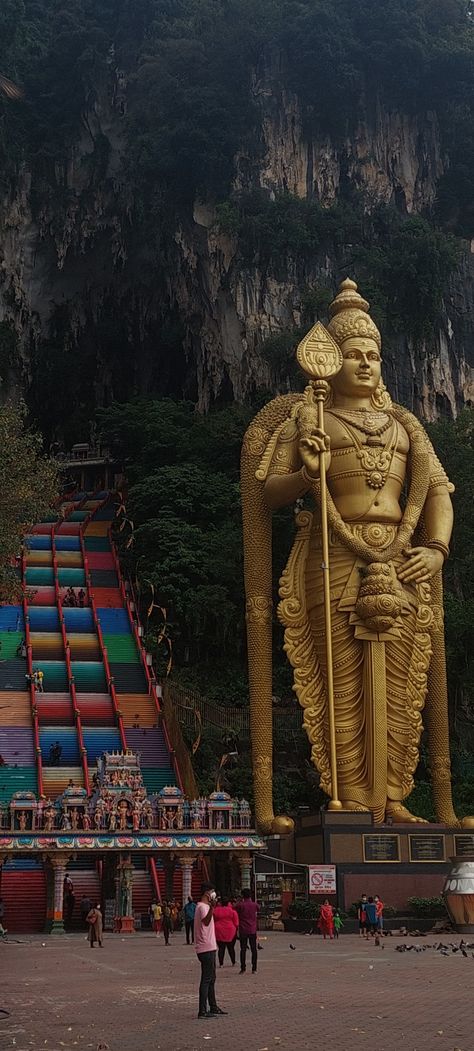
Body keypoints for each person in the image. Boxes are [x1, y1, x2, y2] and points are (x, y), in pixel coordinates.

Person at [242, 277, 470, 831]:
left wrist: (435, 549)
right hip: (331, 558)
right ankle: (347, 800)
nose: (364, 364)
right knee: (339, 683)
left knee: (402, 684)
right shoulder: (309, 419)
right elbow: (265, 489)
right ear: (329, 362)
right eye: (352, 354)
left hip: (402, 559)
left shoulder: (405, 426)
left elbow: (437, 492)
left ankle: (393, 799)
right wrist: (305, 472)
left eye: (372, 354)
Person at [194, 882, 227, 1019]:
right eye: (212, 892)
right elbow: (206, 922)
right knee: (206, 979)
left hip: (209, 946)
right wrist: (212, 908)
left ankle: (213, 1006)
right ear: (207, 894)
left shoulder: (205, 906)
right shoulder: (202, 907)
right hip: (205, 947)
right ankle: (202, 1010)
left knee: (211, 978)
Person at [235, 888, 259, 974]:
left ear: (242, 895)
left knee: (243, 949)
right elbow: (258, 909)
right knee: (254, 949)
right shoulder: (254, 905)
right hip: (252, 929)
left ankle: (243, 968)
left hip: (243, 929)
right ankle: (254, 968)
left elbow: (234, 908)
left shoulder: (240, 905)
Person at [214, 897, 239, 966]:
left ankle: (221, 963)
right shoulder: (232, 911)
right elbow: (236, 923)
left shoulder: (215, 911)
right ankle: (233, 962)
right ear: (228, 903)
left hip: (218, 930)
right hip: (231, 931)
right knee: (231, 948)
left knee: (221, 948)